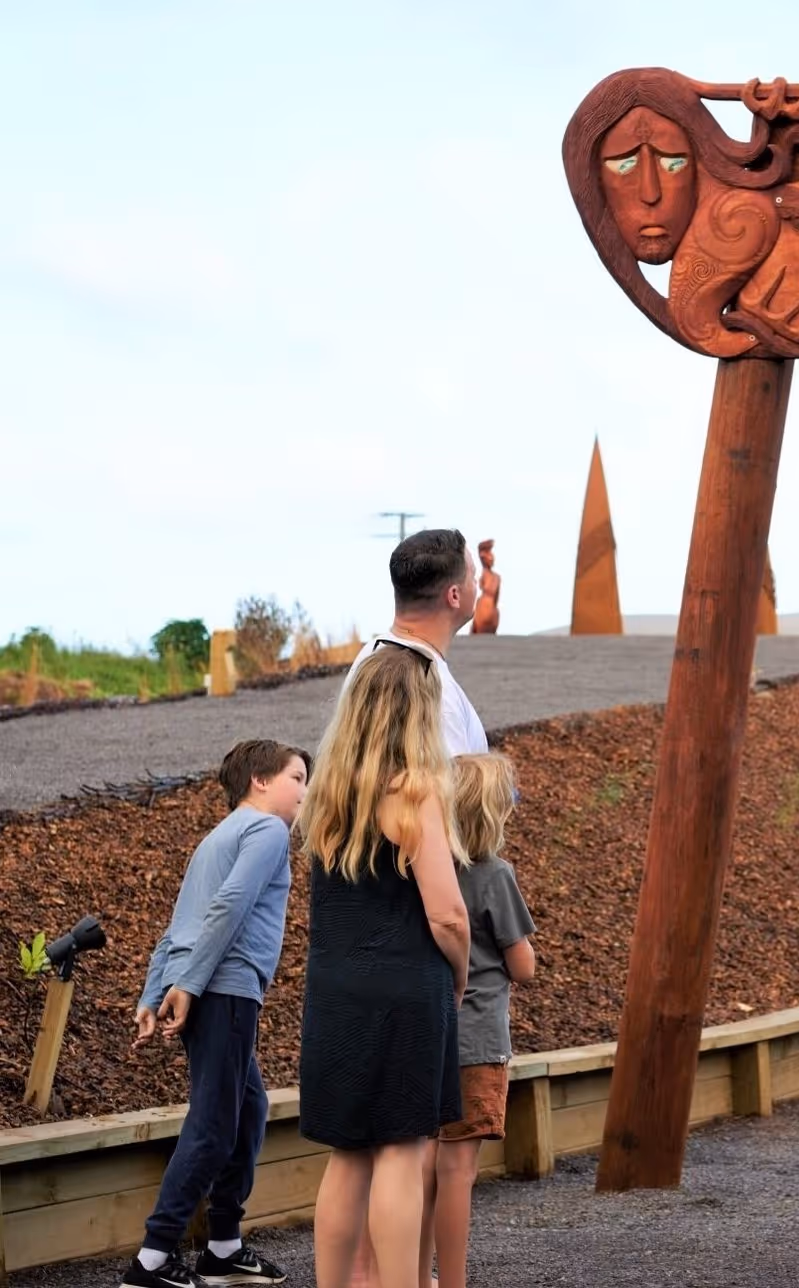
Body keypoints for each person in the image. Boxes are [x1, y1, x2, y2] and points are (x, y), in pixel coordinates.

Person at [341, 527, 488, 1288]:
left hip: (355, 944)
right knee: (404, 1145)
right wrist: (461, 955)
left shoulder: (368, 674)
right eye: (477, 578)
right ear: (457, 594)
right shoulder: (417, 683)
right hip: (416, 931)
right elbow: (446, 814)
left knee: (355, 1148)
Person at [298, 646, 470, 1288]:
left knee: (347, 1157)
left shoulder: (325, 797)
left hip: (335, 990)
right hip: (403, 989)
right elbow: (448, 914)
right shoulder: (414, 791)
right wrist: (457, 973)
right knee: (401, 1150)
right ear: (415, 712)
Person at [122, 740, 310, 1288]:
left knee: (247, 1110)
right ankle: (152, 1260)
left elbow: (175, 927)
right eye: (297, 777)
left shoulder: (214, 838)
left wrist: (153, 995)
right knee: (213, 1125)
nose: (305, 789)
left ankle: (223, 1248)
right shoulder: (267, 831)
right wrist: (189, 984)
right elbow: (230, 905)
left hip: (202, 983)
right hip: (223, 988)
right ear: (259, 780)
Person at [424, 753, 536, 1288]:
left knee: (418, 1171)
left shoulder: (420, 869)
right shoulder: (495, 875)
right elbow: (524, 965)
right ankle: (454, 1283)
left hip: (424, 1039)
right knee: (456, 1174)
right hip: (478, 1044)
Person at [348, 527, 487, 759]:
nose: (477, 585)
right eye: (473, 576)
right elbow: (454, 791)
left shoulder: (369, 656)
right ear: (454, 595)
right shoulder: (435, 693)